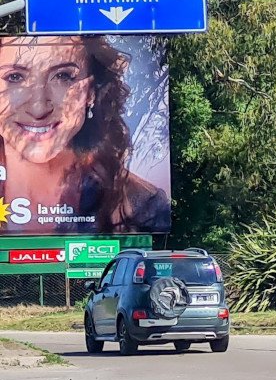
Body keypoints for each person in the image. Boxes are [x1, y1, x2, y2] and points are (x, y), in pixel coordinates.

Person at [0, 36, 169, 234]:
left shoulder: (140, 205)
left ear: (91, 92)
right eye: (15, 77)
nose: (39, 109)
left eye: (63, 76)